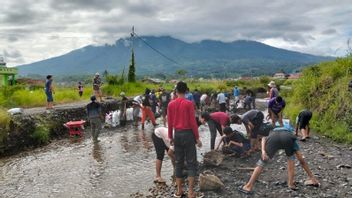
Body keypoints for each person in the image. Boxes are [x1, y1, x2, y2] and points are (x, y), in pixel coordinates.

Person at [239, 127, 320, 194]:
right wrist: (312, 177)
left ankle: (248, 186)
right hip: (287, 139)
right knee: (291, 159)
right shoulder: (290, 133)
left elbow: (264, 138)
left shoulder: (272, 130)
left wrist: (263, 151)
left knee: (262, 162)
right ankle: (291, 184)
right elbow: (301, 160)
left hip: (273, 138)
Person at [167, 81, 203, 198]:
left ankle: (179, 191)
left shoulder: (171, 104)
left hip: (177, 134)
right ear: (186, 91)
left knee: (178, 163)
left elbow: (170, 122)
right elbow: (193, 123)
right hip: (188, 135)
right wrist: (197, 138)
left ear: (176, 91)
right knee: (192, 163)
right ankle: (191, 192)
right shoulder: (189, 104)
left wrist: (170, 137)